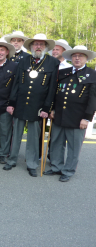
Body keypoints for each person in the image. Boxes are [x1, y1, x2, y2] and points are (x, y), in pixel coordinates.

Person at [4, 34, 60, 177]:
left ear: (46, 47)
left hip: (38, 106)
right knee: (16, 134)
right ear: (30, 47)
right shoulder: (23, 60)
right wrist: (11, 103)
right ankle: (11, 160)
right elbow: (16, 83)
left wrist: (47, 108)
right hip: (21, 104)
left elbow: (52, 88)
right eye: (36, 44)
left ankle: (32, 164)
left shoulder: (52, 62)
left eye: (41, 44)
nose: (38, 47)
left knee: (34, 138)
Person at [44, 46, 96, 182]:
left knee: (74, 146)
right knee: (56, 143)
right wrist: (53, 109)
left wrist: (87, 118)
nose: (77, 58)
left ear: (86, 58)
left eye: (81, 56)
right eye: (74, 56)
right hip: (59, 114)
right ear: (71, 58)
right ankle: (56, 167)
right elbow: (56, 93)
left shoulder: (92, 74)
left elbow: (93, 99)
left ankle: (68, 170)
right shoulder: (63, 72)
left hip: (77, 118)